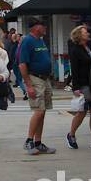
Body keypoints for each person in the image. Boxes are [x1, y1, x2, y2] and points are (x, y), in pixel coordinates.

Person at [17, 19, 56, 154]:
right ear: (35, 27)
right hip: (35, 78)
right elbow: (22, 64)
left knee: (42, 111)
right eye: (43, 25)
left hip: (45, 79)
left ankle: (38, 142)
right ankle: (29, 141)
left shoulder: (40, 40)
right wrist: (29, 86)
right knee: (38, 111)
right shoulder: (27, 41)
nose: (45, 27)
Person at [66, 24, 91, 151]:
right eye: (85, 32)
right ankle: (71, 134)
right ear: (79, 35)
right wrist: (76, 87)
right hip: (84, 86)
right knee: (82, 112)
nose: (87, 33)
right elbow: (75, 70)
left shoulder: (90, 48)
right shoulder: (75, 50)